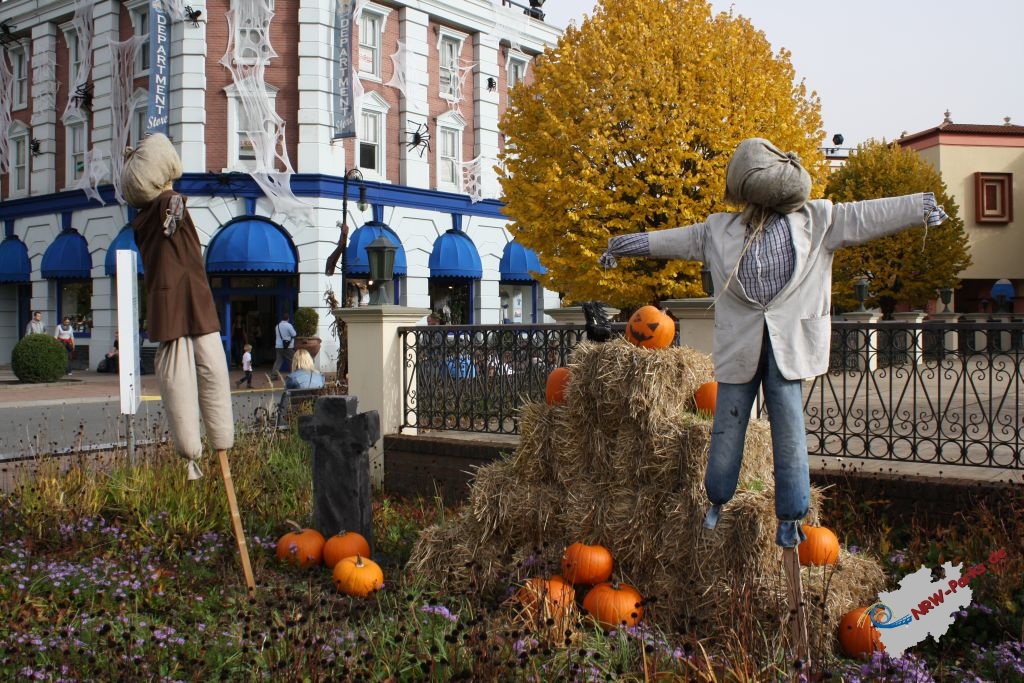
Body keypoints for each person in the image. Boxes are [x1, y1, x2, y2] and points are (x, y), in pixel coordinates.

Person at [600, 137, 949, 549]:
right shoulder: (720, 230)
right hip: (740, 347)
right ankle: (718, 500)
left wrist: (920, 206)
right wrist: (622, 246)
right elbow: (673, 239)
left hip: (789, 347)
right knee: (727, 428)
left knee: (789, 431)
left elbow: (867, 215)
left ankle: (791, 517)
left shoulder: (818, 220)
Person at [126, 133, 234, 481]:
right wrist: (174, 208)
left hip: (174, 307)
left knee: (184, 382)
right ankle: (205, 452)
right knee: (210, 375)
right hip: (192, 304)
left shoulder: (140, 219)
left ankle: (193, 458)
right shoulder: (166, 202)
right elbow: (171, 207)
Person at [270, 312, 296, 383]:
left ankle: (273, 375)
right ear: (288, 318)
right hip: (288, 346)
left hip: (278, 346)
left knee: (278, 360)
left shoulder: (277, 326)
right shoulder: (288, 325)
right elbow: (294, 334)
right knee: (293, 359)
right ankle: (292, 375)